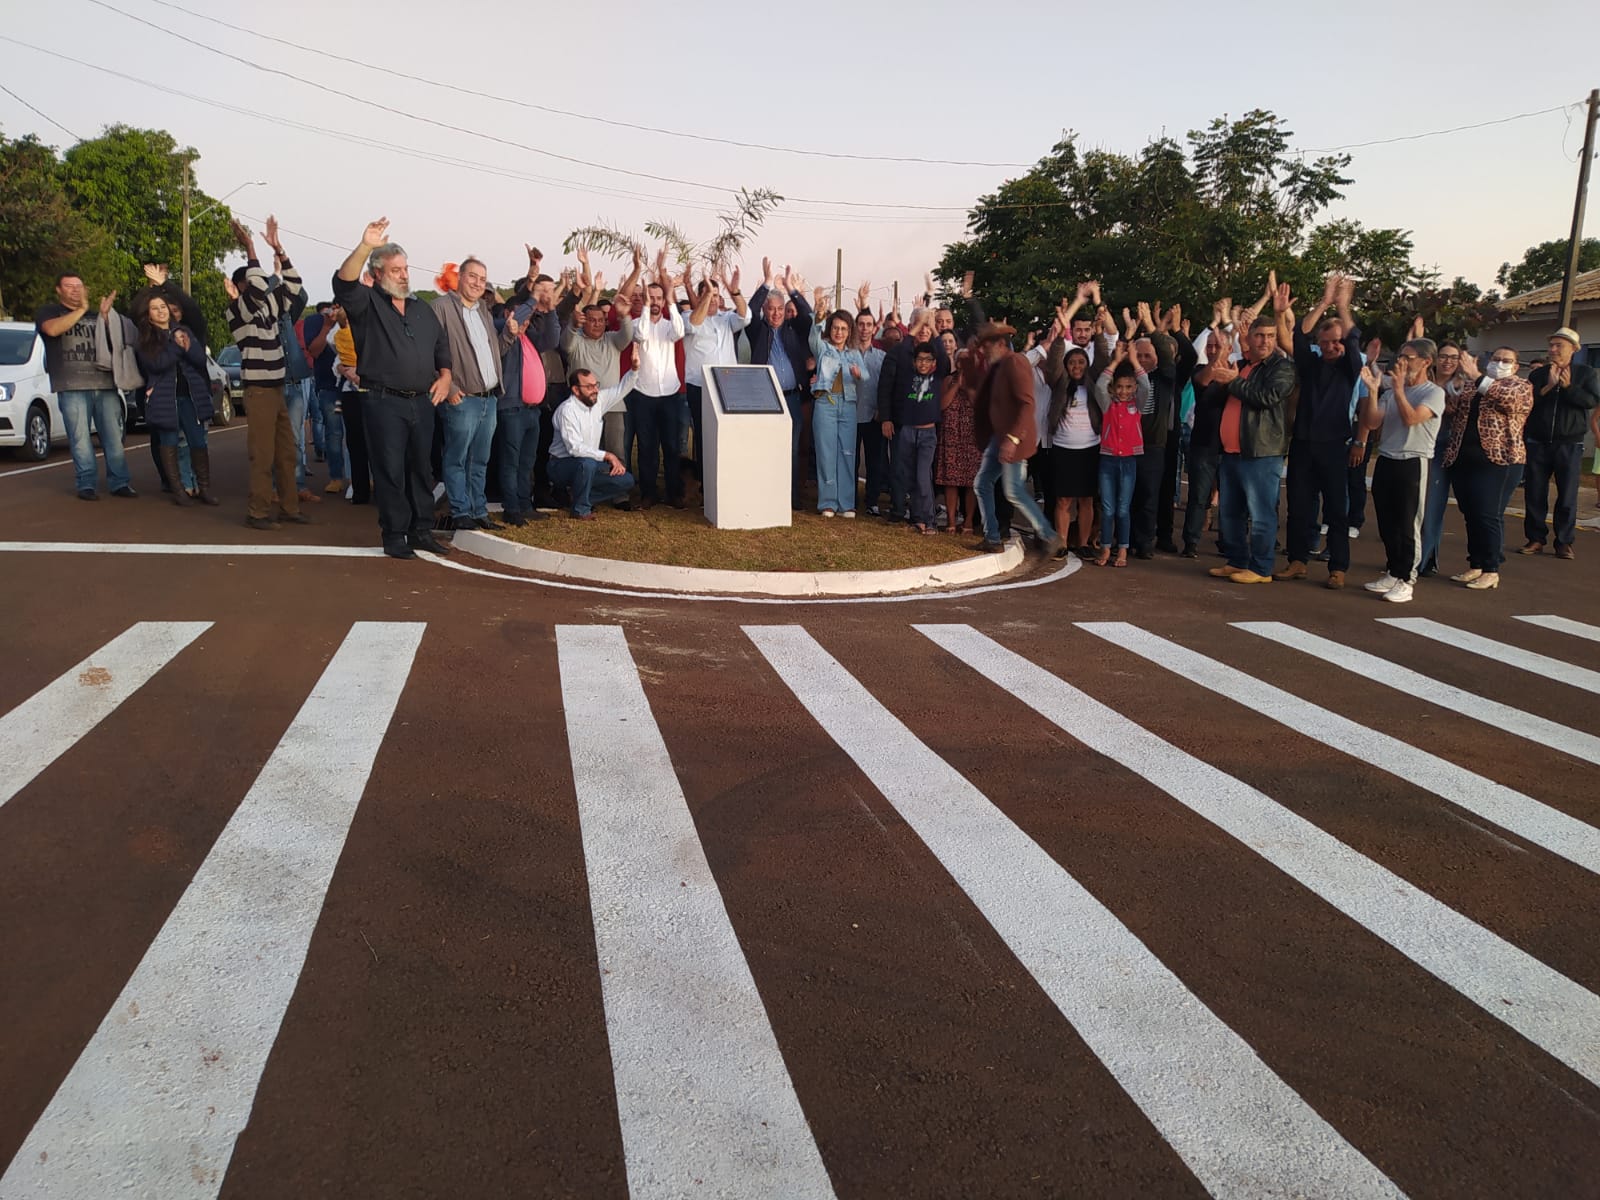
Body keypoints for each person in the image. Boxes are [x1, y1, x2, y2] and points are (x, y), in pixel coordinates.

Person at [332, 218, 453, 560]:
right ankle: (395, 534)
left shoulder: (421, 308)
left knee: (421, 470)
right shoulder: (366, 304)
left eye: (405, 269)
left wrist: (445, 375)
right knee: (390, 470)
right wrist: (365, 246)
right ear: (377, 273)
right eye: (396, 270)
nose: (403, 275)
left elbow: (441, 345)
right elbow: (343, 283)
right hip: (383, 402)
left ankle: (421, 530)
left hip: (422, 402)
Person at [1279, 273, 1363, 589]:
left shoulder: (1350, 367)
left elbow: (1353, 337)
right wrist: (1324, 302)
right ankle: (1297, 561)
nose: (1331, 346)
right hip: (1303, 443)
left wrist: (1342, 307)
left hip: (1334, 446)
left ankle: (1338, 567)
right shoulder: (1311, 364)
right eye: (1325, 342)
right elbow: (1300, 334)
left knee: (1336, 510)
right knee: (1299, 506)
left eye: (1335, 341)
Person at [1200, 312, 1295, 585]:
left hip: (1261, 452)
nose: (1265, 341)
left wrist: (1232, 381)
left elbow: (1267, 397)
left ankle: (1261, 568)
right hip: (1231, 451)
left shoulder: (1282, 367)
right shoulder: (1240, 365)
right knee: (1230, 512)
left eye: (1270, 336)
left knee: (1261, 514)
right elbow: (1210, 399)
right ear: (1249, 338)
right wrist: (1221, 379)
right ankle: (1237, 560)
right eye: (1260, 335)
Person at [227, 216, 306, 529]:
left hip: (276, 387)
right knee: (262, 455)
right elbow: (260, 286)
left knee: (286, 453)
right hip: (258, 389)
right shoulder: (237, 311)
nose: (256, 285)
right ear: (242, 287)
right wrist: (249, 247)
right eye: (250, 282)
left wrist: (279, 250)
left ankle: (289, 508)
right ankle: (257, 512)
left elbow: (295, 285)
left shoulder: (269, 308)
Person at [34, 272, 136, 500]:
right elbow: (52, 330)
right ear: (58, 290)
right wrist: (81, 310)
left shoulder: (96, 315)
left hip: (105, 384)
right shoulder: (49, 312)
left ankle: (120, 482)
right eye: (69, 286)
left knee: (114, 437)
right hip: (72, 386)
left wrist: (107, 318)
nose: (75, 290)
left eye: (79, 286)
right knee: (80, 439)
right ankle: (86, 484)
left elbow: (118, 343)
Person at [1357, 339, 1444, 603]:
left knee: (1408, 523)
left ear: (1426, 362)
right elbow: (1372, 422)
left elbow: (1412, 419)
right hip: (1387, 458)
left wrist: (1397, 390)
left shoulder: (1433, 393)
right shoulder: (1393, 391)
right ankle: (1393, 571)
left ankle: (1407, 579)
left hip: (1413, 461)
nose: (1402, 363)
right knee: (1387, 522)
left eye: (1408, 358)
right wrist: (1373, 392)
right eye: (1400, 357)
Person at [1439, 347, 1533, 590]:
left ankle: (1491, 569)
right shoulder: (1472, 385)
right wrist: (1457, 383)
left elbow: (1507, 400)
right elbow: (1454, 407)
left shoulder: (1520, 386)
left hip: (1499, 461)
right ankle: (1476, 564)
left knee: (1487, 514)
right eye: (1496, 359)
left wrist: (1476, 375)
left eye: (1506, 360)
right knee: (1471, 514)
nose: (1499, 363)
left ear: (1516, 366)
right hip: (1464, 459)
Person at [971, 321, 1063, 557]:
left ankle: (1049, 535)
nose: (983, 350)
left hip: (1014, 438)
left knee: (1013, 490)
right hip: (1000, 437)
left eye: (987, 345)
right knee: (982, 483)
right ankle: (992, 537)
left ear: (1000, 344)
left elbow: (1027, 403)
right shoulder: (1000, 366)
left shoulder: (1015, 362)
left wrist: (1013, 439)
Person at [432, 256, 508, 532]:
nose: (477, 283)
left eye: (482, 279)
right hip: (462, 399)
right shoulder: (441, 308)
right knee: (457, 458)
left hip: (489, 399)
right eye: (472, 276)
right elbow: (428, 351)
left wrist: (510, 335)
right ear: (460, 277)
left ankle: (478, 511)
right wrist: (449, 388)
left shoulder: (483, 311)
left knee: (480, 460)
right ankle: (460, 511)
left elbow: (494, 352)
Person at [129, 288, 219, 507]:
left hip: (190, 396)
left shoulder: (183, 330)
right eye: (155, 308)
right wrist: (178, 346)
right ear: (148, 314)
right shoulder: (146, 337)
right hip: (164, 399)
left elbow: (199, 359)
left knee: (197, 441)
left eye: (163, 307)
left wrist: (184, 344)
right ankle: (178, 490)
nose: (161, 311)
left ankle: (204, 488)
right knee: (169, 442)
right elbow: (157, 364)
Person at [495, 272, 568, 525]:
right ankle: (512, 507)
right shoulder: (501, 335)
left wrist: (550, 310)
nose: (524, 321)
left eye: (527, 317)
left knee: (527, 461)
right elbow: (515, 321)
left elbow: (553, 339)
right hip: (512, 408)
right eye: (520, 316)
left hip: (532, 409)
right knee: (511, 461)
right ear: (507, 314)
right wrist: (533, 298)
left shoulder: (529, 337)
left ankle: (525, 504)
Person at [1520, 327, 1600, 559]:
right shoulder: (1538, 374)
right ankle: (1535, 538)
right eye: (1552, 345)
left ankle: (1564, 542)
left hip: (1569, 443)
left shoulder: (1585, 373)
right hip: (1538, 441)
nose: (1553, 350)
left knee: (1567, 495)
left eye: (1559, 346)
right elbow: (1527, 402)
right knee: (1535, 492)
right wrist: (1548, 387)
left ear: (1573, 349)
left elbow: (1591, 401)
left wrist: (1568, 387)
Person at [1127, 302, 1198, 558]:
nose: (1143, 360)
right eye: (1140, 356)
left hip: (1160, 442)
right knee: (1132, 495)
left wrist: (1158, 327)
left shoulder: (1168, 377)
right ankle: (1129, 539)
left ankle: (1153, 539)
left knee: (1157, 493)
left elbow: (1187, 356)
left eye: (1149, 355)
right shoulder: (1128, 379)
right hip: (1131, 444)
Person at [746, 259, 815, 508]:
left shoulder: (794, 329)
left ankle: (791, 497)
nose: (775, 314)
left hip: (792, 398)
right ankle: (766, 494)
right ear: (765, 310)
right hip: (766, 398)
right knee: (766, 448)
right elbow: (749, 311)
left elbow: (808, 315)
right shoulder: (757, 330)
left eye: (779, 309)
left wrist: (791, 289)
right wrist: (766, 284)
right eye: (771, 309)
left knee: (791, 449)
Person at [562, 246, 641, 460]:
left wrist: (624, 316)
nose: (597, 324)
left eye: (600, 320)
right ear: (584, 321)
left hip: (612, 405)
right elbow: (566, 343)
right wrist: (573, 324)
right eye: (592, 320)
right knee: (585, 454)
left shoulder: (612, 339)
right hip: (582, 406)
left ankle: (618, 483)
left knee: (616, 453)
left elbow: (627, 335)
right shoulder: (576, 340)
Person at [628, 251, 688, 509]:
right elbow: (640, 336)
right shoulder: (636, 322)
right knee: (647, 447)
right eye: (650, 297)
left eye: (658, 298)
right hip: (643, 393)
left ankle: (674, 493)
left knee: (672, 446)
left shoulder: (669, 325)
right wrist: (644, 307)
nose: (654, 302)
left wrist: (671, 300)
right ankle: (648, 493)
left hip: (670, 394)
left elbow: (679, 331)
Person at [683, 266, 750, 489]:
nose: (713, 299)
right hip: (700, 386)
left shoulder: (726, 318)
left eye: (716, 295)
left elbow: (745, 316)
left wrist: (735, 292)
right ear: (700, 296)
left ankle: (726, 480)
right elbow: (694, 323)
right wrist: (706, 297)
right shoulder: (688, 317)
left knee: (728, 433)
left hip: (727, 386)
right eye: (708, 294)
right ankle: (706, 483)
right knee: (705, 436)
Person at [549, 367, 639, 518]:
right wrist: (608, 455)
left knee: (626, 480)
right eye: (589, 387)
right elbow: (574, 449)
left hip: (588, 464)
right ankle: (580, 510)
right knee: (587, 463)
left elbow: (621, 389)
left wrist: (634, 369)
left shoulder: (598, 401)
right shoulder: (567, 410)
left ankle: (578, 498)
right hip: (561, 465)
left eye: (596, 385)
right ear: (576, 390)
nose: (595, 390)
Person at [1092, 344, 1152, 567]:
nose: (1124, 391)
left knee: (1123, 508)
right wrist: (1116, 361)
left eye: (1128, 387)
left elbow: (1146, 385)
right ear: (1113, 387)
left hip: (1128, 462)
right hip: (1108, 461)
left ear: (1134, 388)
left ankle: (1123, 549)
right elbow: (1100, 386)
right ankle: (1106, 547)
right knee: (1108, 509)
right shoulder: (1108, 405)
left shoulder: (1138, 405)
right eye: (1119, 387)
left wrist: (1134, 361)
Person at [1181, 324, 1234, 559]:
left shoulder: (1238, 371)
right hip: (1203, 444)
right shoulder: (1200, 370)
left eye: (1219, 346)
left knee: (1230, 500)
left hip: (1231, 446)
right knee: (1198, 497)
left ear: (1231, 348)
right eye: (1210, 346)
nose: (1213, 349)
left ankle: (1229, 542)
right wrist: (1217, 359)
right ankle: (1191, 542)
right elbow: (1203, 381)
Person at [1418, 333, 1467, 576]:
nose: (1448, 361)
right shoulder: (1423, 380)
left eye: (1454, 358)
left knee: (1432, 505)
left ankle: (1424, 559)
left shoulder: (1462, 386)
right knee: (1413, 505)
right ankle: (1414, 555)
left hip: (1442, 448)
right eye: (1444, 356)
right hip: (1418, 444)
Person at [884, 339, 946, 532]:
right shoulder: (907, 375)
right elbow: (902, 350)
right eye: (920, 359)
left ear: (933, 362)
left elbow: (944, 357)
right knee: (909, 476)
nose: (923, 363)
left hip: (927, 434)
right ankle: (917, 518)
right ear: (914, 361)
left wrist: (932, 328)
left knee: (923, 476)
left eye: (928, 360)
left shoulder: (937, 377)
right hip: (908, 431)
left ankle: (930, 520)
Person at [810, 310, 867, 517]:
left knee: (847, 453)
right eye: (835, 328)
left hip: (848, 405)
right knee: (826, 453)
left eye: (843, 329)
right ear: (830, 329)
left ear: (849, 331)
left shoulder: (854, 353)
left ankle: (846, 503)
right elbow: (813, 337)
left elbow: (865, 375)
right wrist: (818, 316)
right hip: (826, 403)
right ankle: (828, 502)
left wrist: (859, 374)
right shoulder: (823, 348)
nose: (839, 332)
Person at [936, 328, 981, 534]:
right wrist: (956, 385)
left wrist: (967, 387)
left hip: (972, 436)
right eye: (960, 360)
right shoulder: (948, 380)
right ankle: (952, 521)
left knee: (970, 481)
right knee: (951, 480)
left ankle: (969, 521)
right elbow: (942, 405)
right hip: (951, 435)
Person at [302, 301, 348, 495]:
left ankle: (362, 478)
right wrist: (327, 326)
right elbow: (314, 351)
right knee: (334, 433)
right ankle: (336, 477)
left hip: (355, 385)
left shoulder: (356, 318)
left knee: (359, 433)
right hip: (329, 387)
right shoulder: (314, 321)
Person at [852, 300, 890, 515]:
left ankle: (872, 501)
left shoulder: (882, 357)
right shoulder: (847, 353)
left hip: (874, 416)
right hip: (850, 414)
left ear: (875, 328)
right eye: (861, 324)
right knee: (851, 460)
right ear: (856, 327)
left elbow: (886, 387)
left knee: (875, 461)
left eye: (868, 324)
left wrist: (882, 411)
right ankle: (850, 499)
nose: (865, 328)